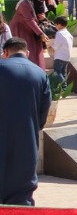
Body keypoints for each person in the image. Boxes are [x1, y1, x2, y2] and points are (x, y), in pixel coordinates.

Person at [0, 38, 51, 205]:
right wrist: (34, 126)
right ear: (27, 53)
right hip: (26, 139)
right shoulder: (40, 73)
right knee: (22, 190)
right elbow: (45, 108)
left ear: (5, 52)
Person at [11, 0, 47, 67]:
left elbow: (38, 16)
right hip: (21, 29)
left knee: (37, 51)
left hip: (33, 30)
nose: (41, 2)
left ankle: (37, 69)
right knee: (28, 50)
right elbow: (29, 20)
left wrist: (43, 18)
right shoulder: (24, 4)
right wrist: (41, 33)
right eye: (40, 0)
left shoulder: (37, 3)